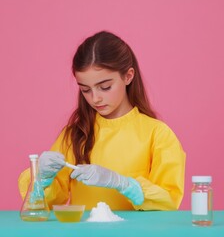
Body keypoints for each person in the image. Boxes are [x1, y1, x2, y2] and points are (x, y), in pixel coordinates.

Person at [18, 31, 185, 211]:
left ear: (128, 76)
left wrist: (124, 184)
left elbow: (169, 203)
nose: (95, 98)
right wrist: (41, 178)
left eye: (105, 87)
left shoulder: (157, 134)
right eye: (85, 90)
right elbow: (41, 206)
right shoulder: (76, 134)